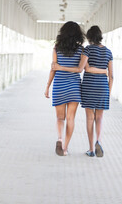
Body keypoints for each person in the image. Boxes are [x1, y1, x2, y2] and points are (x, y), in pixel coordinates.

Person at [52, 25, 113, 158]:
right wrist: (105, 75)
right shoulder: (108, 52)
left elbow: (86, 69)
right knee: (99, 118)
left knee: (89, 118)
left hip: (89, 87)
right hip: (101, 87)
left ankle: (90, 149)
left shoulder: (87, 50)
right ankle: (99, 141)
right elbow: (112, 76)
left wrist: (51, 80)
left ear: (89, 37)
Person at [44, 21, 84, 156]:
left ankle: (60, 138)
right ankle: (65, 148)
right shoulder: (81, 50)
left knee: (60, 118)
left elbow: (53, 69)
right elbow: (81, 69)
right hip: (74, 87)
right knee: (71, 118)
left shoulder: (56, 48)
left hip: (59, 85)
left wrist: (47, 86)